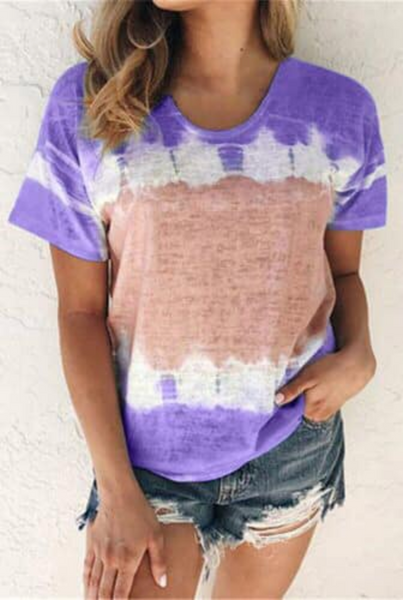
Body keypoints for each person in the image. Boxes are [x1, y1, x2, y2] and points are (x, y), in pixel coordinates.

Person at [7, 0, 388, 598]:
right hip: (145, 462)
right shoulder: (92, 102)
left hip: (291, 447)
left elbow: (343, 274)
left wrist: (360, 353)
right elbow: (79, 313)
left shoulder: (340, 111)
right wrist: (117, 490)